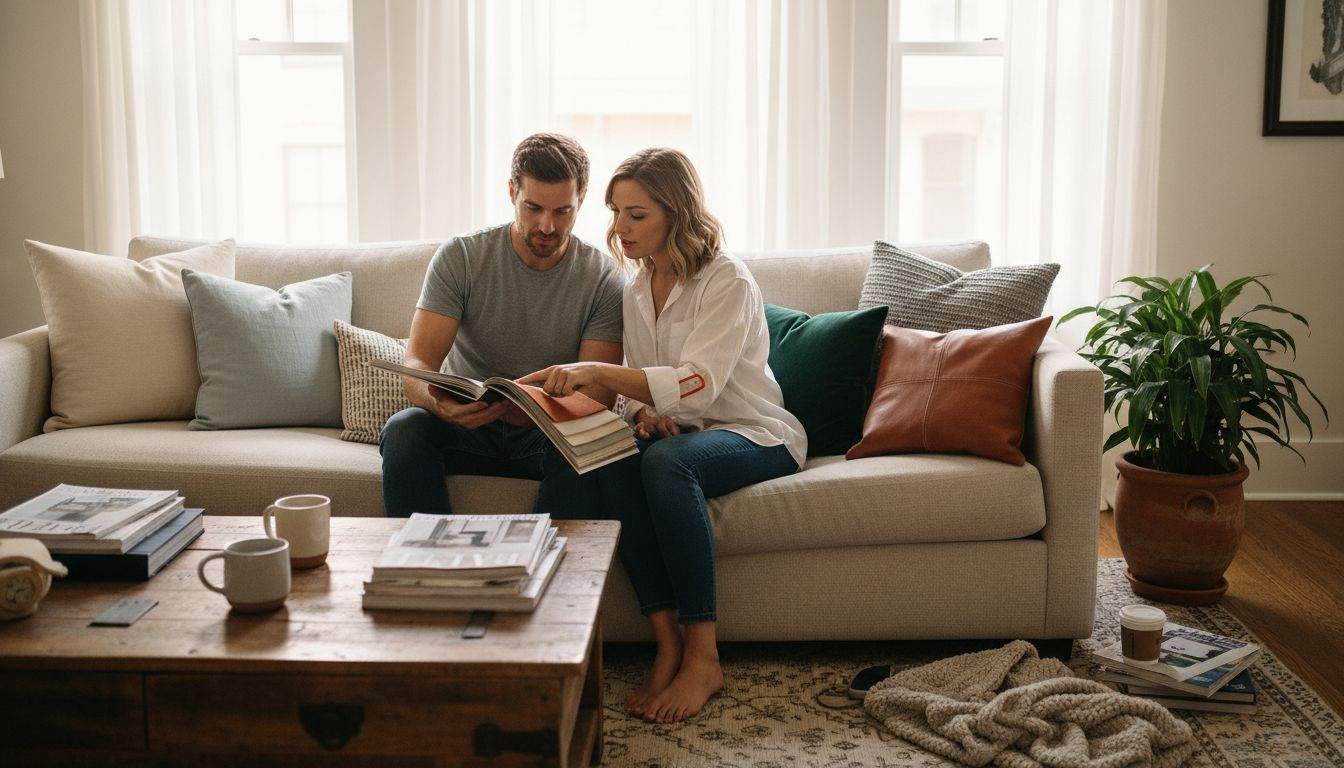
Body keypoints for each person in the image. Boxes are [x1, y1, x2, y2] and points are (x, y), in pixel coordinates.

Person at [521, 148, 806, 724]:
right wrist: (643, 415)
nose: (619, 229)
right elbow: (648, 390)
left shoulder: (725, 279)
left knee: (667, 464)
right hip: (688, 436)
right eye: (616, 212)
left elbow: (698, 383)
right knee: (617, 456)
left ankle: (703, 656)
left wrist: (599, 374)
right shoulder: (635, 286)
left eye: (636, 215)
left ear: (675, 213)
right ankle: (666, 643)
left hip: (755, 434)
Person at [379, 133, 626, 518]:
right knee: (405, 429)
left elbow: (598, 397)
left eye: (562, 211)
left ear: (582, 200)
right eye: (533, 208)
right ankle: (424, 565)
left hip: (546, 433)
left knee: (586, 449)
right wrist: (438, 405)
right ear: (512, 192)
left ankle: (553, 572)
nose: (546, 226)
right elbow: (417, 362)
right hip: (467, 427)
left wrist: (533, 411)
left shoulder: (602, 278)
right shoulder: (462, 257)